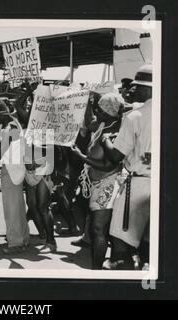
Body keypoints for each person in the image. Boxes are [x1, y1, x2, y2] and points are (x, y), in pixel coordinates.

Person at [101, 64, 152, 270]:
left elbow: (115, 156)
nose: (133, 90)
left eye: (138, 86)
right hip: (161, 185)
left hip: (139, 185)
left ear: (149, 88)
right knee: (150, 244)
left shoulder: (135, 116)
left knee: (121, 247)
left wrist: (105, 139)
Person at [71, 92, 125, 270]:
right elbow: (90, 122)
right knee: (98, 229)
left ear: (110, 112)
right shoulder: (102, 124)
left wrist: (81, 156)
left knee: (98, 229)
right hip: (97, 183)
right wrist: (87, 102)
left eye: (100, 110)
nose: (97, 113)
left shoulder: (114, 131)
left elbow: (108, 166)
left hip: (107, 182)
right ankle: (101, 265)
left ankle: (96, 269)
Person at [0, 100, 30, 254]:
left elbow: (1, 153)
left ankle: (15, 243)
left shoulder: (9, 129)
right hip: (16, 171)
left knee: (11, 209)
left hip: (10, 172)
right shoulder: (14, 124)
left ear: (0, 114)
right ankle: (23, 238)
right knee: (18, 207)